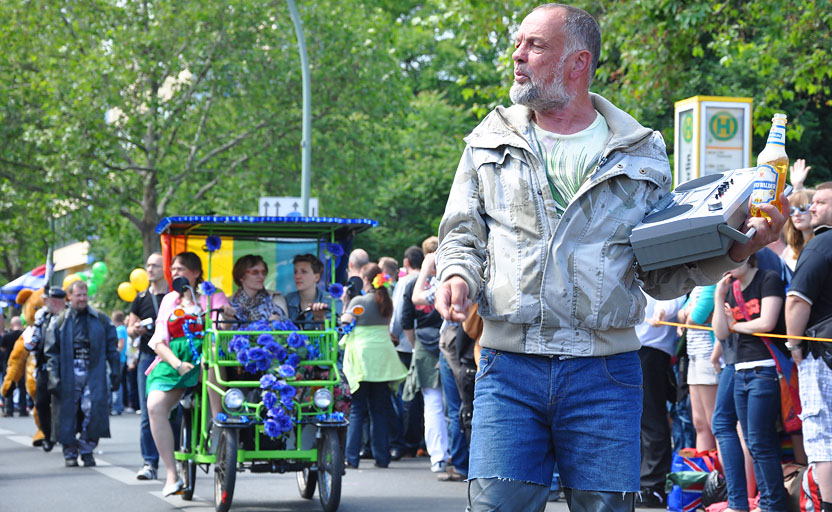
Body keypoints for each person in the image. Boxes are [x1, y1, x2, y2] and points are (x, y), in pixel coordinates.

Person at [433, 4, 786, 511]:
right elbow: (460, 235)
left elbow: (660, 274)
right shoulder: (488, 141)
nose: (517, 56)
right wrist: (456, 273)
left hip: (605, 374)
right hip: (508, 367)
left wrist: (739, 249)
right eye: (518, 44)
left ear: (578, 63)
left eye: (534, 45)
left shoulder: (641, 152)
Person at [144, 251, 230, 496]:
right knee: (154, 405)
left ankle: (219, 426)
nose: (174, 274)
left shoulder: (212, 295)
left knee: (212, 361)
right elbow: (159, 342)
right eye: (173, 269)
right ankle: (171, 474)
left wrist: (226, 314)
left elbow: (220, 331)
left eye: (180, 269)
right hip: (174, 360)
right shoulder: (169, 300)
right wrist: (177, 363)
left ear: (194, 273)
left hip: (205, 358)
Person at [712, 254, 789, 511]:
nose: (730, 264)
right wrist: (718, 298)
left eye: (736, 257)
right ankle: (762, 502)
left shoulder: (768, 279)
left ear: (750, 257)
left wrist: (736, 326)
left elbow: (766, 323)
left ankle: (774, 504)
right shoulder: (731, 288)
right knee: (752, 441)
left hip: (764, 369)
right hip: (740, 370)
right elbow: (722, 333)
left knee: (759, 441)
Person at [786, 182, 832, 512]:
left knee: (822, 439)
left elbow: (796, 301)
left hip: (822, 356)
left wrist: (794, 345)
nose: (812, 207)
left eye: (821, 202)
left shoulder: (819, 246)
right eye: (811, 201)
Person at [45, 280, 120, 467]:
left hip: (93, 371)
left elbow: (112, 348)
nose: (82, 298)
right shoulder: (59, 320)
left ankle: (87, 449)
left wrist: (116, 371)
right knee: (66, 411)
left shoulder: (101, 319)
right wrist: (53, 376)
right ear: (69, 296)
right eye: (78, 295)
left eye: (84, 294)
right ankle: (69, 451)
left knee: (94, 409)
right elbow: (50, 352)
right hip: (68, 372)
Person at [340, 263, 408, 469]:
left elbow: (346, 322)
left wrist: (345, 302)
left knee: (358, 410)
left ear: (366, 279)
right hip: (383, 359)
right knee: (379, 410)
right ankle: (382, 457)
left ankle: (351, 457)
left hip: (363, 359)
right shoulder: (385, 302)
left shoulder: (359, 301)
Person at [402, 242, 449, 474]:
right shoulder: (450, 281)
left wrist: (414, 346)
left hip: (423, 344)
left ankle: (438, 456)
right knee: (453, 403)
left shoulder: (413, 284)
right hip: (450, 342)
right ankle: (454, 454)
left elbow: (405, 320)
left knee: (431, 403)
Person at [636, 292, 685, 507]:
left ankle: (652, 486)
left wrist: (662, 312)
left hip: (651, 350)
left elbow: (671, 297)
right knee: (633, 421)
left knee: (651, 418)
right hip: (626, 349)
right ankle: (639, 481)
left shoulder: (665, 274)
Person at [127, 252, 169, 481]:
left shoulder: (172, 297)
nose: (149, 269)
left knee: (176, 411)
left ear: (165, 268)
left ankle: (178, 460)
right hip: (147, 358)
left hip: (170, 358)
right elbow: (130, 327)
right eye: (148, 265)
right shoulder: (141, 297)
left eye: (154, 265)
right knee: (147, 413)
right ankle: (149, 463)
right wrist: (137, 330)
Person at [389, 246, 425, 460]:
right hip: (427, 343)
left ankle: (409, 442)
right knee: (427, 396)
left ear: (407, 262)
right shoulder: (429, 278)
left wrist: (393, 335)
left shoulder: (405, 282)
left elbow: (398, 313)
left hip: (405, 344)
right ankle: (423, 442)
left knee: (408, 394)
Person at [24, 287, 67, 452]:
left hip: (63, 368)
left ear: (54, 301)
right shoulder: (41, 318)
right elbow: (32, 341)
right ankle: (47, 435)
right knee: (41, 402)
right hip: (44, 367)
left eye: (47, 299)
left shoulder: (66, 317)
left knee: (62, 404)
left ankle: (63, 436)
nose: (44, 302)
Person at [678, 285, 719, 451]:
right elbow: (680, 314)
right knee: (699, 423)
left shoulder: (712, 282)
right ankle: (706, 474)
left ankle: (722, 474)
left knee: (714, 423)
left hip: (708, 356)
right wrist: (687, 315)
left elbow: (695, 318)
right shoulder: (697, 286)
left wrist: (688, 315)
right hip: (693, 356)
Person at [221, 254, 288, 326]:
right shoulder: (229, 303)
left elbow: (286, 328)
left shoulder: (275, 299)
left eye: (263, 272)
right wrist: (227, 320)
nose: (261, 276)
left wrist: (276, 323)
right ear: (241, 276)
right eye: (255, 272)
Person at [285, 254, 335, 325]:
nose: (297, 276)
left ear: (317, 277)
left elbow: (334, 333)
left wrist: (320, 319)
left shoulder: (331, 301)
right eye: (295, 272)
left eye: (304, 272)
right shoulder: (287, 300)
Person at [781, 189, 814, 270]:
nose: (796, 214)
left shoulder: (825, 245)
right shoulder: (790, 250)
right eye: (792, 210)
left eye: (802, 209)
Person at [110, 310, 128, 415]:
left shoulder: (120, 329)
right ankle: (118, 406)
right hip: (122, 359)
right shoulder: (123, 329)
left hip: (119, 359)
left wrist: (114, 355)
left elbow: (120, 345)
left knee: (116, 383)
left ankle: (117, 407)